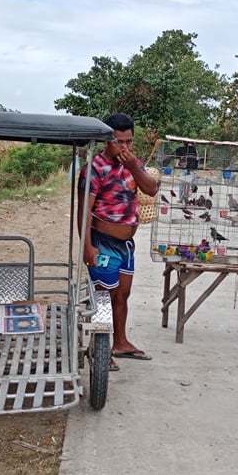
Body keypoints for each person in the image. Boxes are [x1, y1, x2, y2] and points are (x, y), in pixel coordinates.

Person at [77, 113, 160, 370]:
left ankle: (120, 342)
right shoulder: (94, 169)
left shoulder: (134, 165)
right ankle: (100, 350)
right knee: (103, 296)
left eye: (129, 141)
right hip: (102, 243)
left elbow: (152, 189)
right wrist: (87, 246)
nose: (124, 147)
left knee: (122, 294)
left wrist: (135, 166)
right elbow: (84, 213)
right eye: (118, 141)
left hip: (125, 246)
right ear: (106, 140)